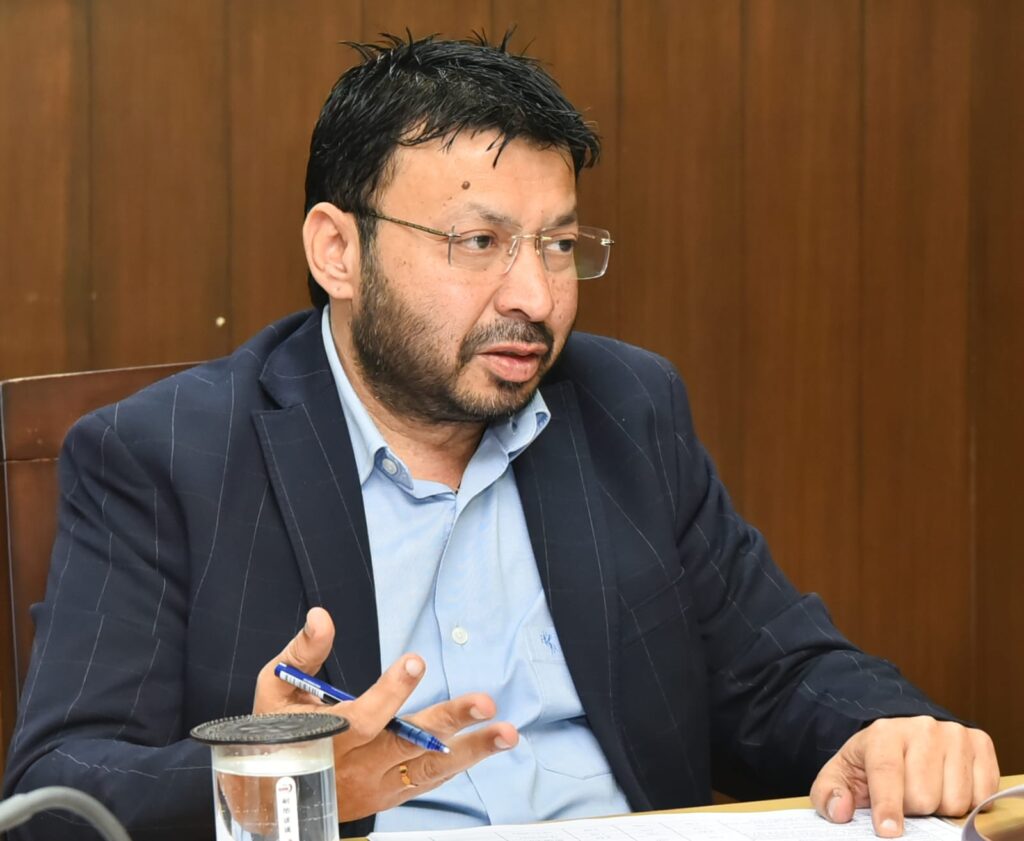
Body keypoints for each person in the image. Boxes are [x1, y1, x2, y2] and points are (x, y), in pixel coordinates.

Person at [3, 32, 998, 841]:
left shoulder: (626, 405)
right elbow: (58, 793)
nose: (535, 295)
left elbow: (773, 671)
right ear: (338, 249)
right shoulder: (164, 454)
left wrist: (890, 731)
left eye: (558, 245)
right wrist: (266, 775)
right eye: (479, 242)